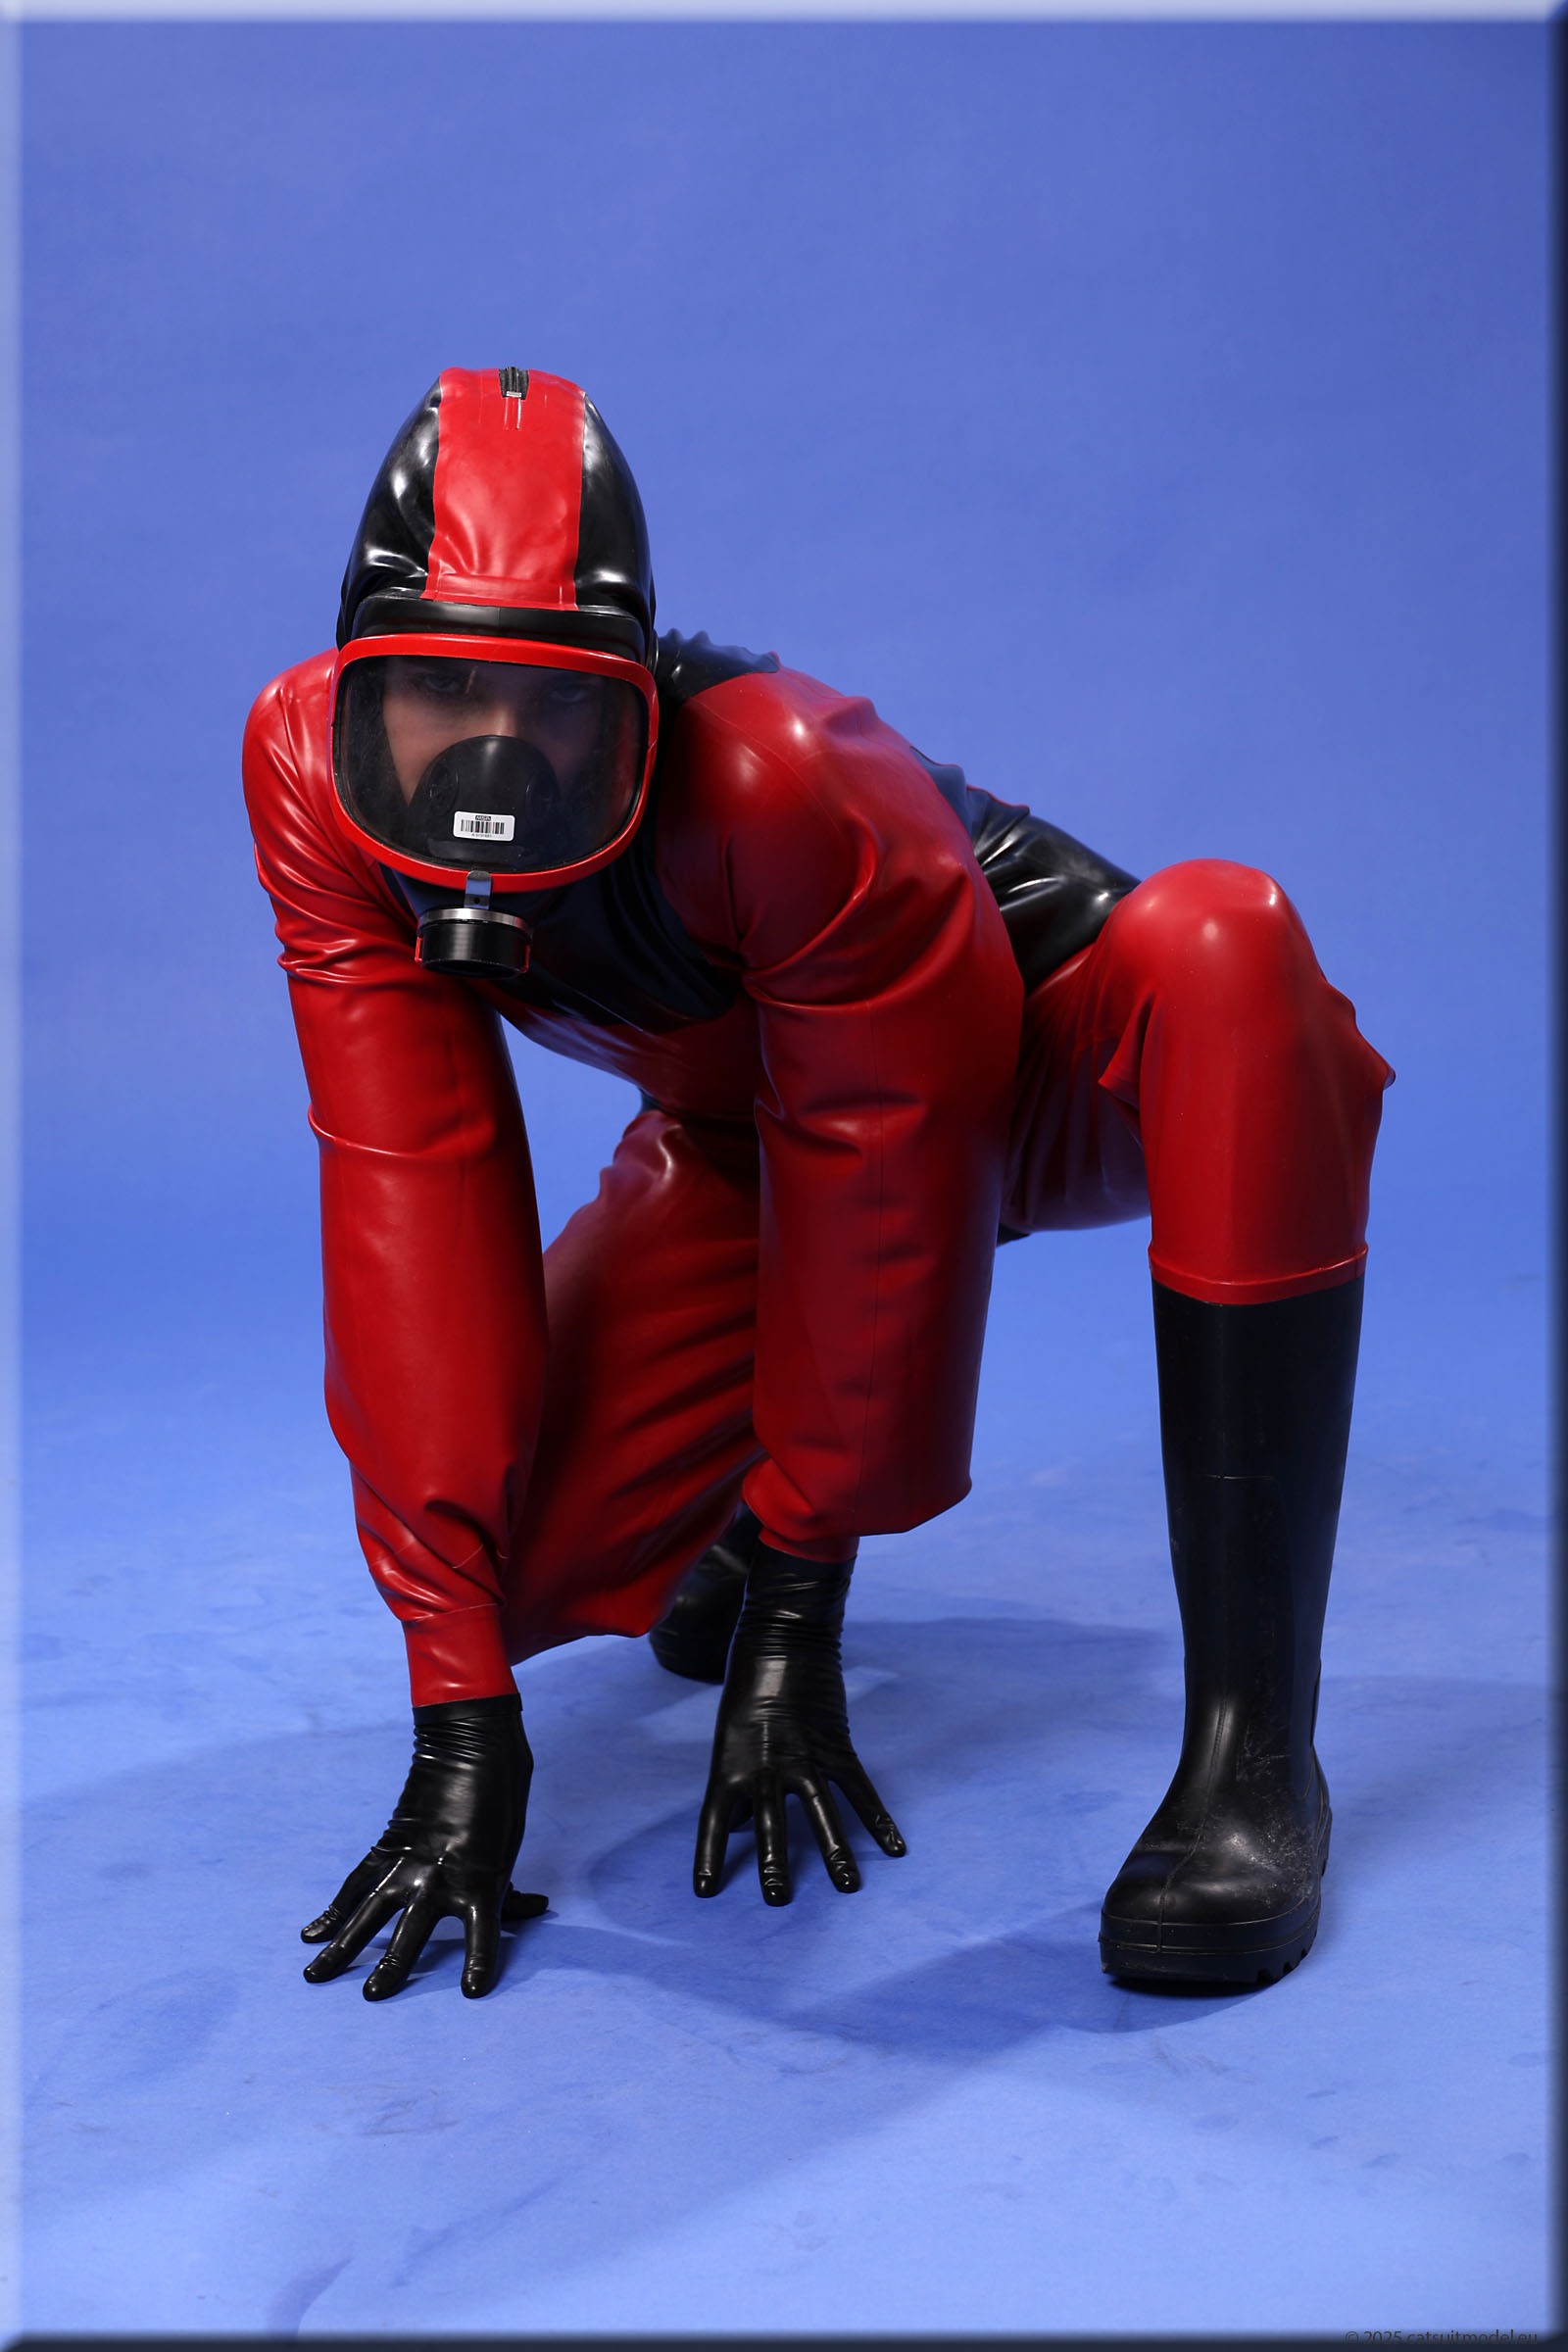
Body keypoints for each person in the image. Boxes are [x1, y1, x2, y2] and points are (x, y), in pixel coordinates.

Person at [243, 366, 1391, 2004]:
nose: (496, 758)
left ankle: (1254, 1765)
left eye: (559, 707)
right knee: (518, 1568)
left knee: (1225, 949)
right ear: (355, 686)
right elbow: (407, 1193)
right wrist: (459, 1718)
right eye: (435, 691)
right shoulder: (311, 779)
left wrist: (803, 1599)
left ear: (638, 695)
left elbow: (888, 1159)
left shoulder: (776, 773)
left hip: (1049, 1072)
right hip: (754, 1142)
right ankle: (734, 1510)